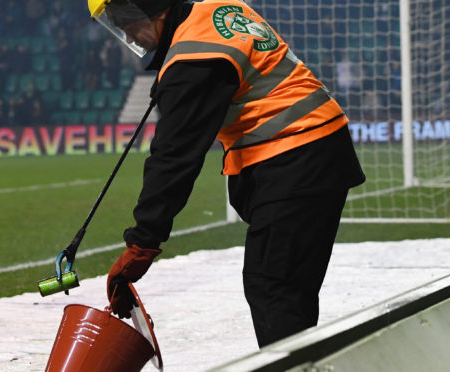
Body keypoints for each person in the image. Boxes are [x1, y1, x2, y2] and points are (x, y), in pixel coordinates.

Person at [88, 0, 365, 348]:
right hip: (318, 150)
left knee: (274, 289)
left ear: (145, 9)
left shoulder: (193, 57)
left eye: (122, 22)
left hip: (293, 158)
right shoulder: (219, 10)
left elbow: (175, 157)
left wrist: (144, 241)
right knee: (287, 288)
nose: (128, 35)